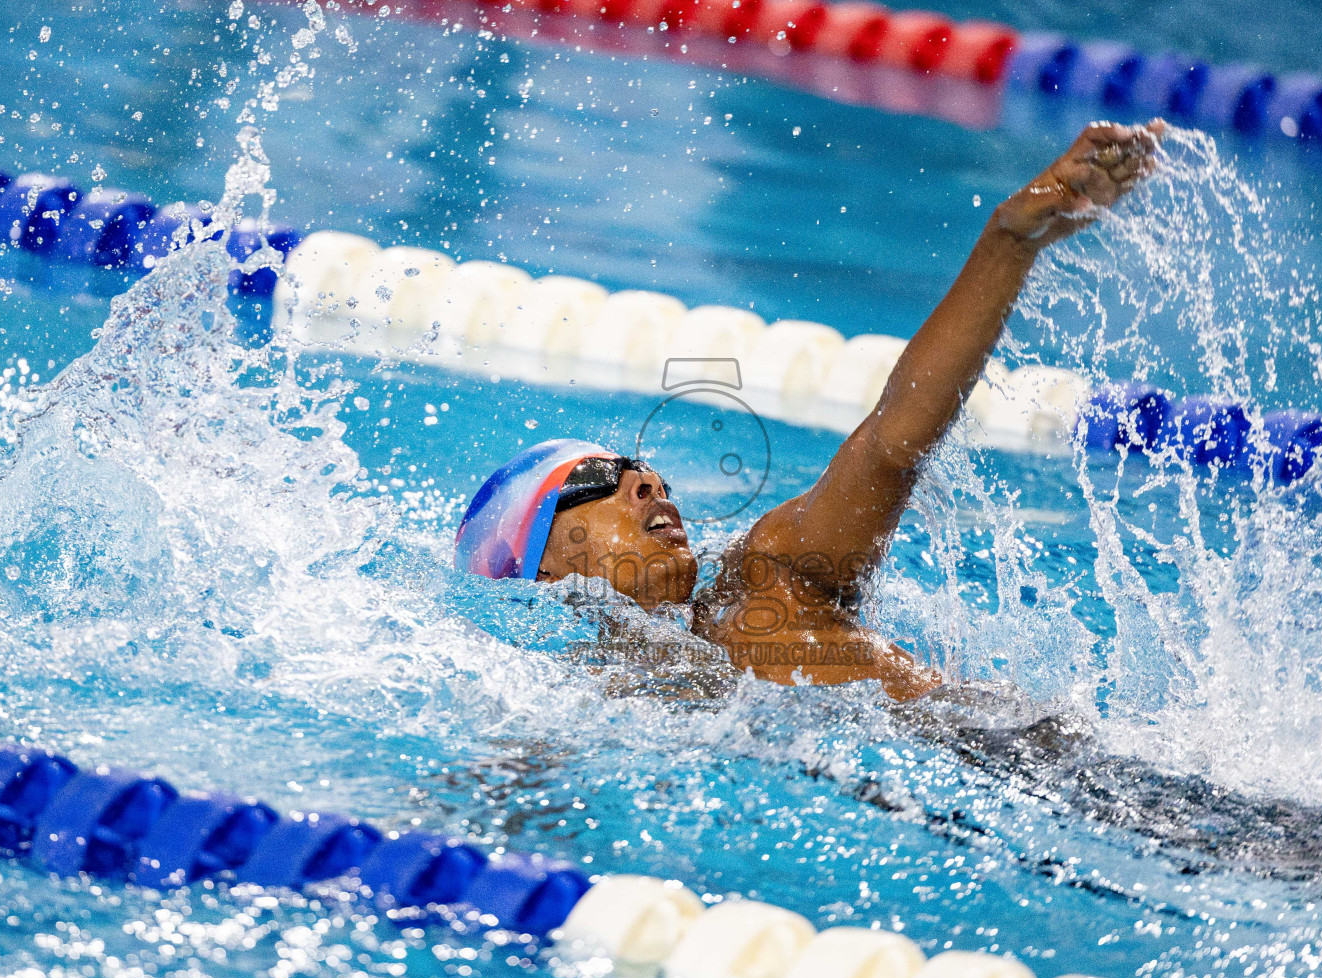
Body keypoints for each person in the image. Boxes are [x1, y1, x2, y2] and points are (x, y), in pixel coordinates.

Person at [455, 120, 1165, 702]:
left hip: (1060, 777)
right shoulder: (589, 694)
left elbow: (891, 445)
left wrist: (1008, 242)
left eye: (645, 472)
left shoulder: (766, 576)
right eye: (597, 480)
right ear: (540, 568)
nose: (647, 484)